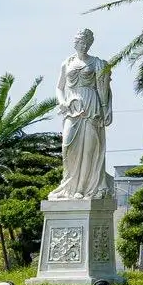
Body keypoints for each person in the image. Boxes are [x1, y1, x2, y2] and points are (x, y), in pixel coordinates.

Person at [50, 29, 114, 201]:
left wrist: (107, 109)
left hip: (92, 107)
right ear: (75, 43)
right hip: (72, 109)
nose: (84, 45)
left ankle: (81, 188)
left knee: (89, 150)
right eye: (80, 42)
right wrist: (62, 102)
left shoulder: (97, 63)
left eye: (87, 42)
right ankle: (68, 184)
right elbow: (59, 87)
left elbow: (105, 90)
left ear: (90, 44)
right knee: (68, 147)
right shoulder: (67, 63)